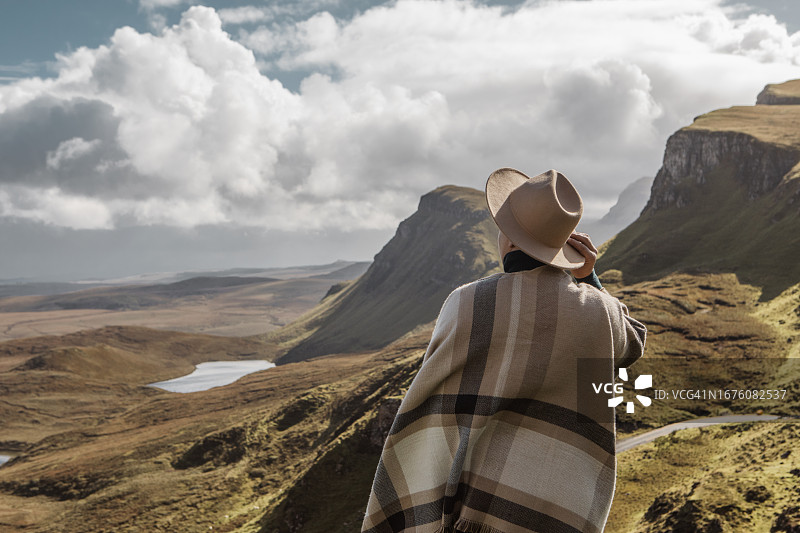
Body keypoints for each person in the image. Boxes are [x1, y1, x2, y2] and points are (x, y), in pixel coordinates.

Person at [361, 168, 647, 533]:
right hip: (552, 509)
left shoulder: (466, 302)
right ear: (559, 246)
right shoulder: (601, 313)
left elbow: (435, 392)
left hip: (466, 508)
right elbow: (633, 342)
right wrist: (588, 278)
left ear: (509, 239)